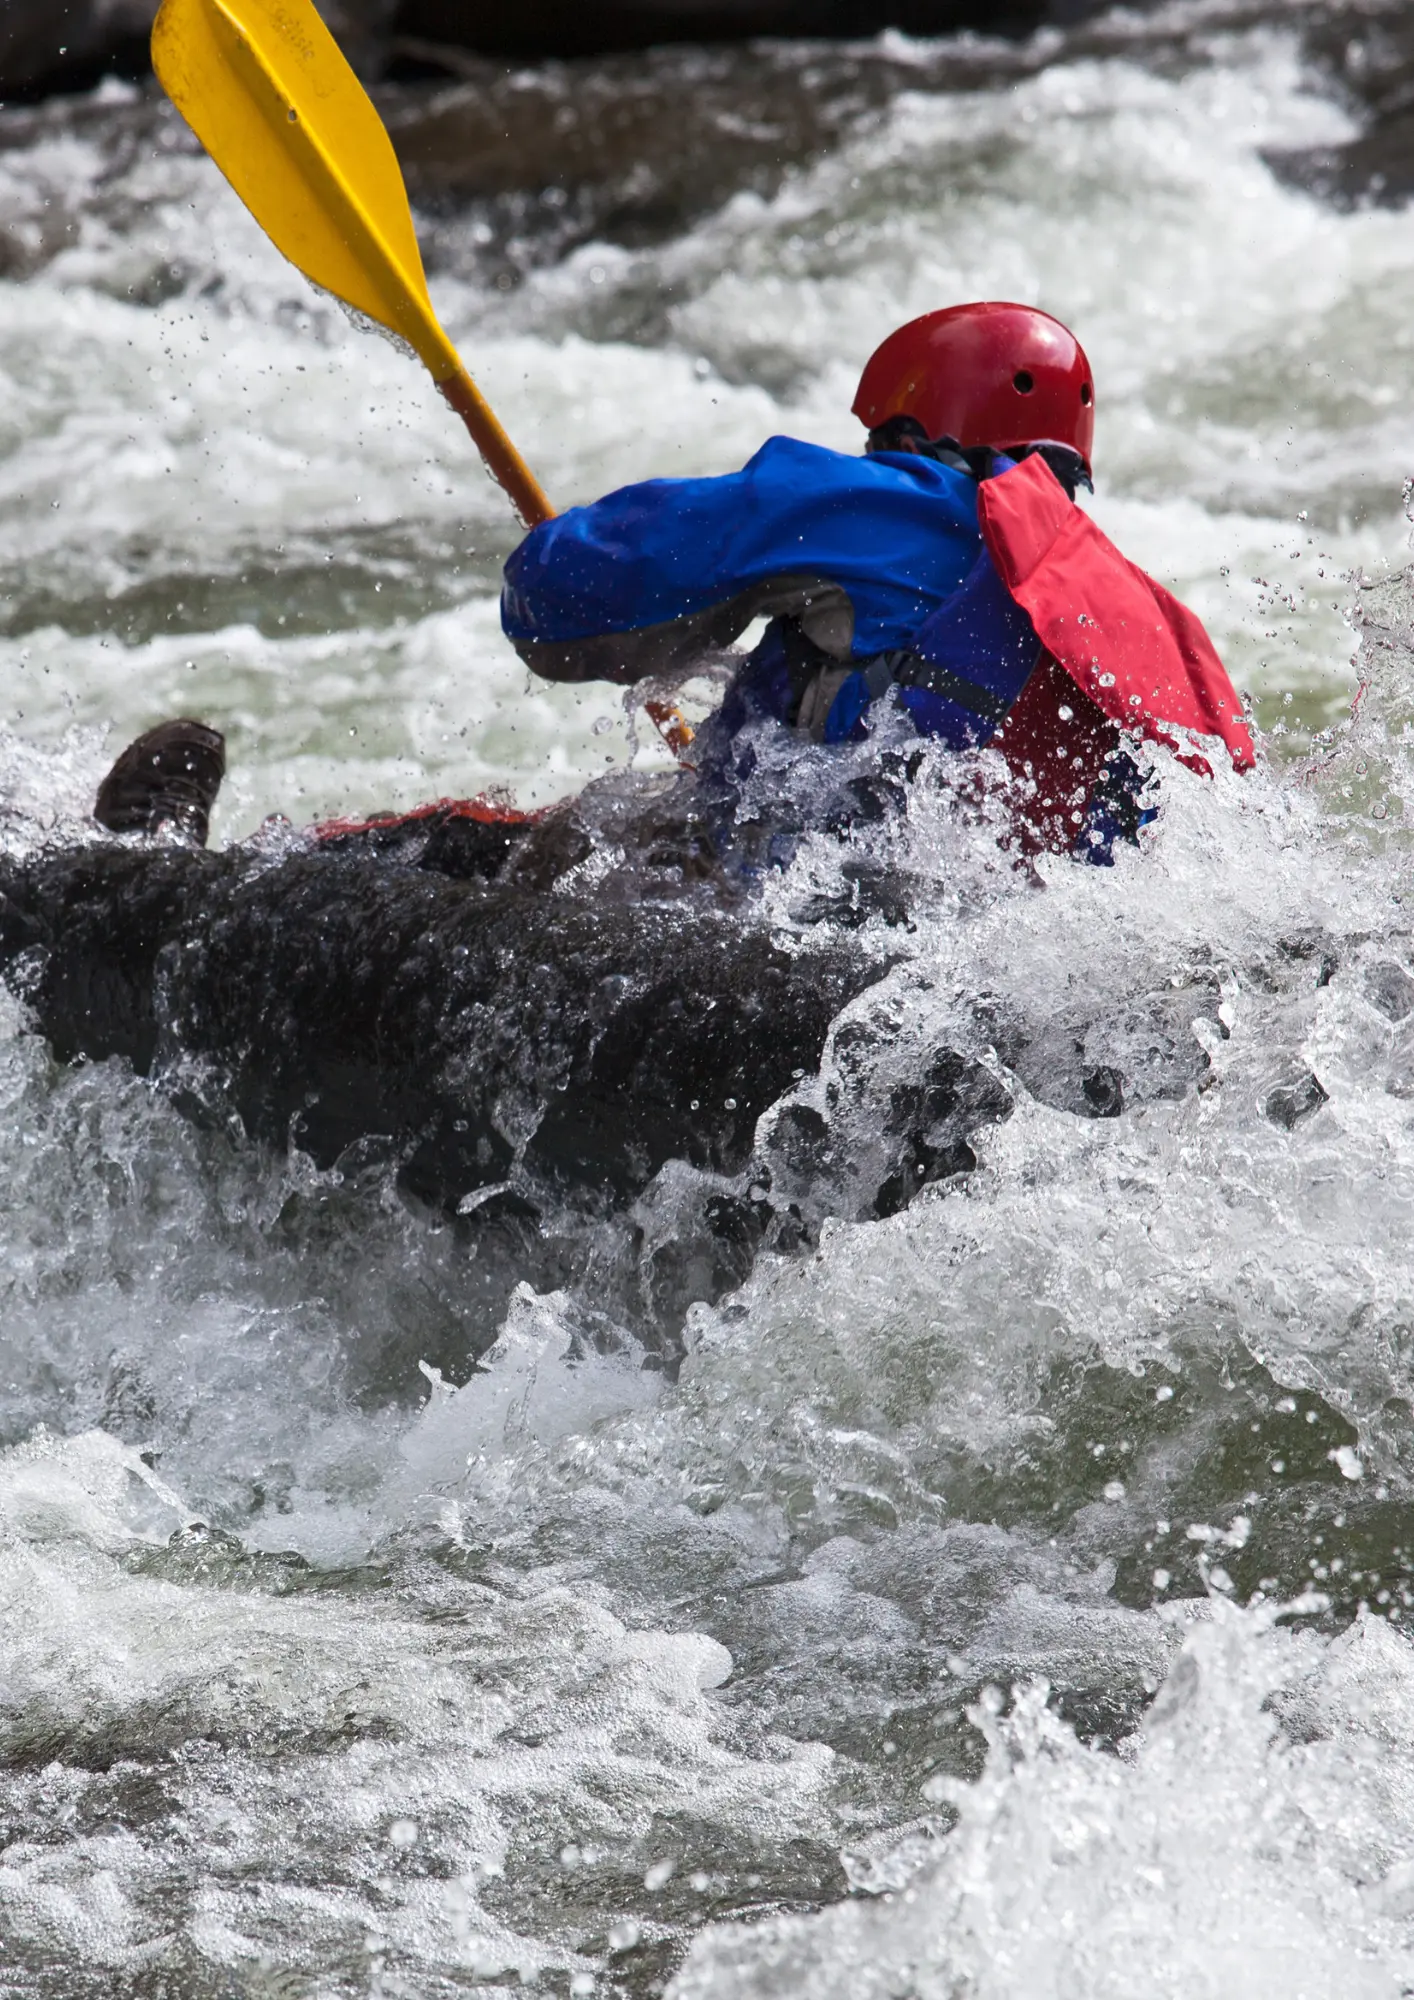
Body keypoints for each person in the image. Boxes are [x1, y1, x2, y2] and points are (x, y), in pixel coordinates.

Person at [92, 302, 1253, 876]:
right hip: (971, 968)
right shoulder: (1128, 618)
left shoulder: (889, 506)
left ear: (909, 421)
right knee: (624, 822)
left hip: (778, 955)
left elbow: (560, 609)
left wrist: (568, 569)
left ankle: (176, 879)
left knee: (484, 848)